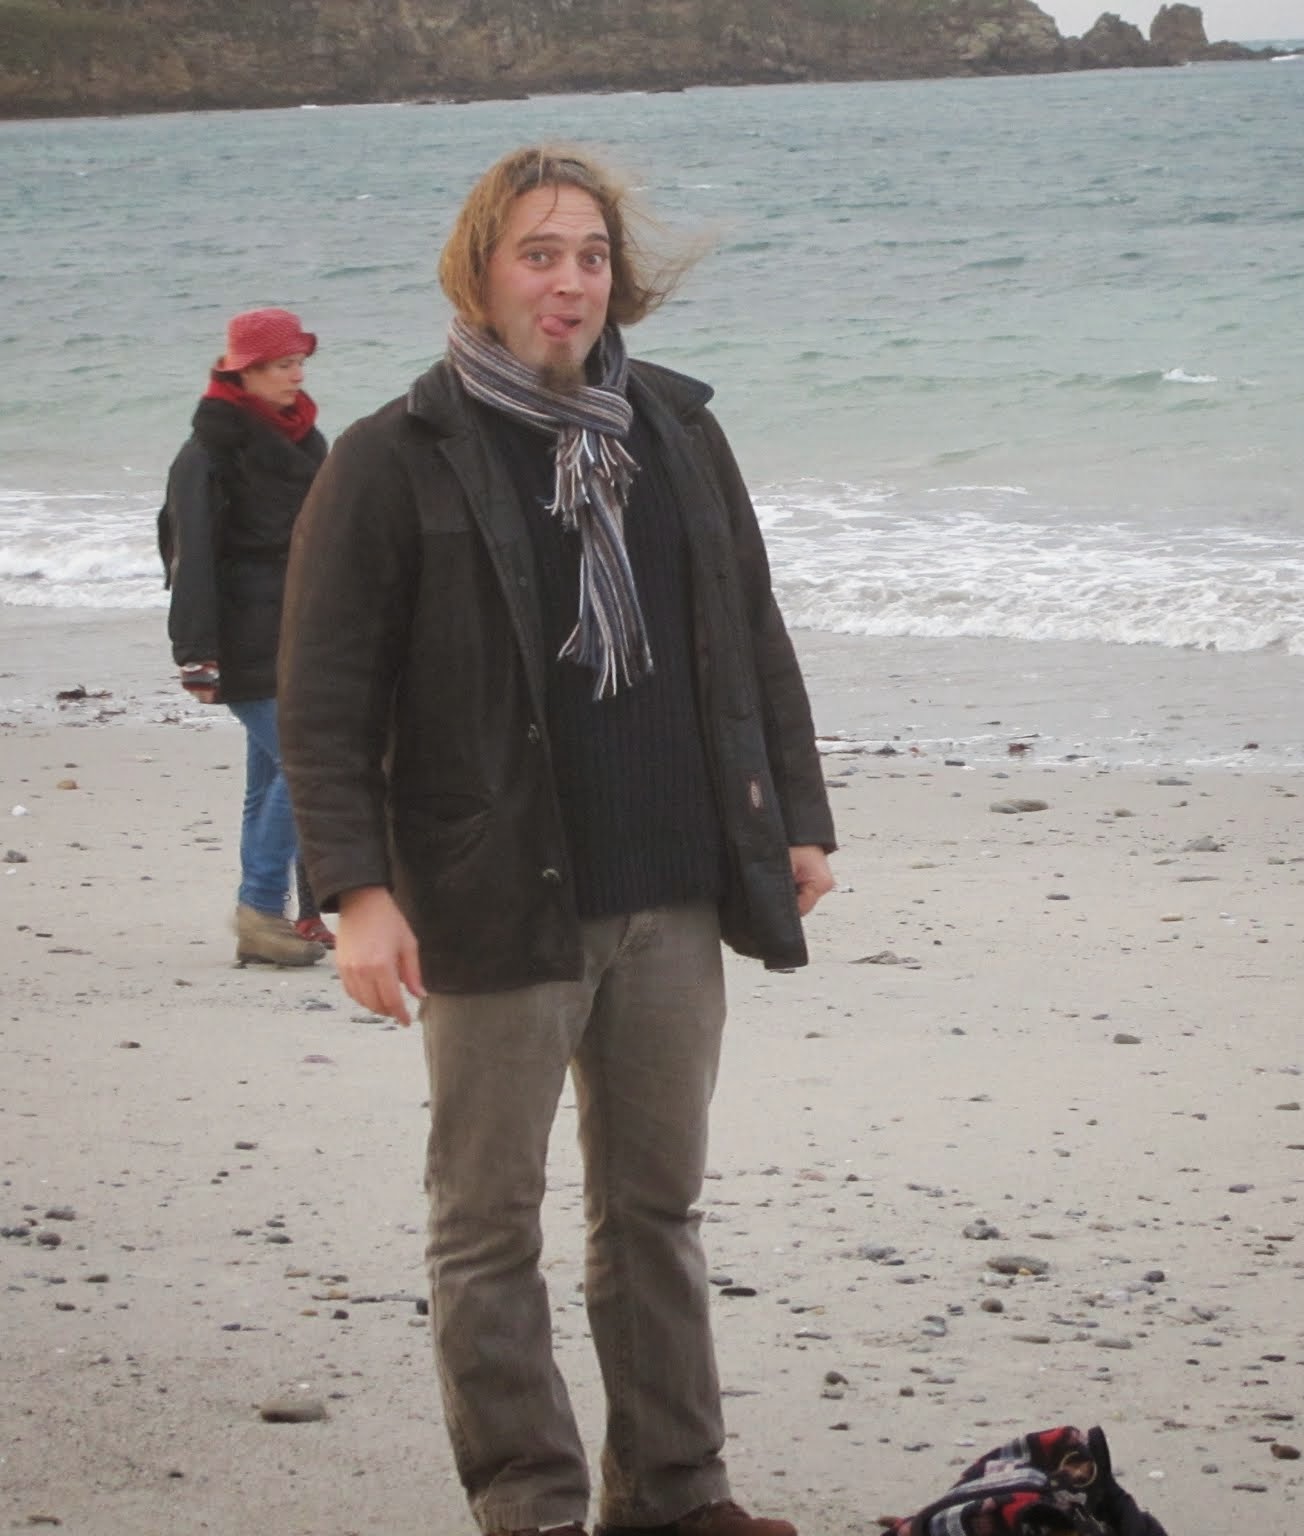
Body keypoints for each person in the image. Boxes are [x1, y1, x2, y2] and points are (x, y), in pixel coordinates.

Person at [276, 145, 836, 1536]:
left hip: (671, 887)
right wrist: (355, 893)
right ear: (480, 273)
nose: (569, 281)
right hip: (492, 896)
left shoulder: (677, 432)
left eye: (590, 255)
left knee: (655, 1211)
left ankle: (675, 1495)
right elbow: (327, 697)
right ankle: (528, 1504)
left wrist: (792, 817)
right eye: (539, 253)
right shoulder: (390, 459)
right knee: (487, 1224)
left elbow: (747, 632)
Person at [160, 307, 333, 967]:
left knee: (271, 775)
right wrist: (195, 655)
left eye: (300, 362)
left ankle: (275, 915)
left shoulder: (304, 439)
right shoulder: (209, 452)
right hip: (241, 634)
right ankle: (260, 910)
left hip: (300, 629)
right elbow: (190, 555)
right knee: (307, 762)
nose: (298, 375)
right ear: (247, 372)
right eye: (284, 364)